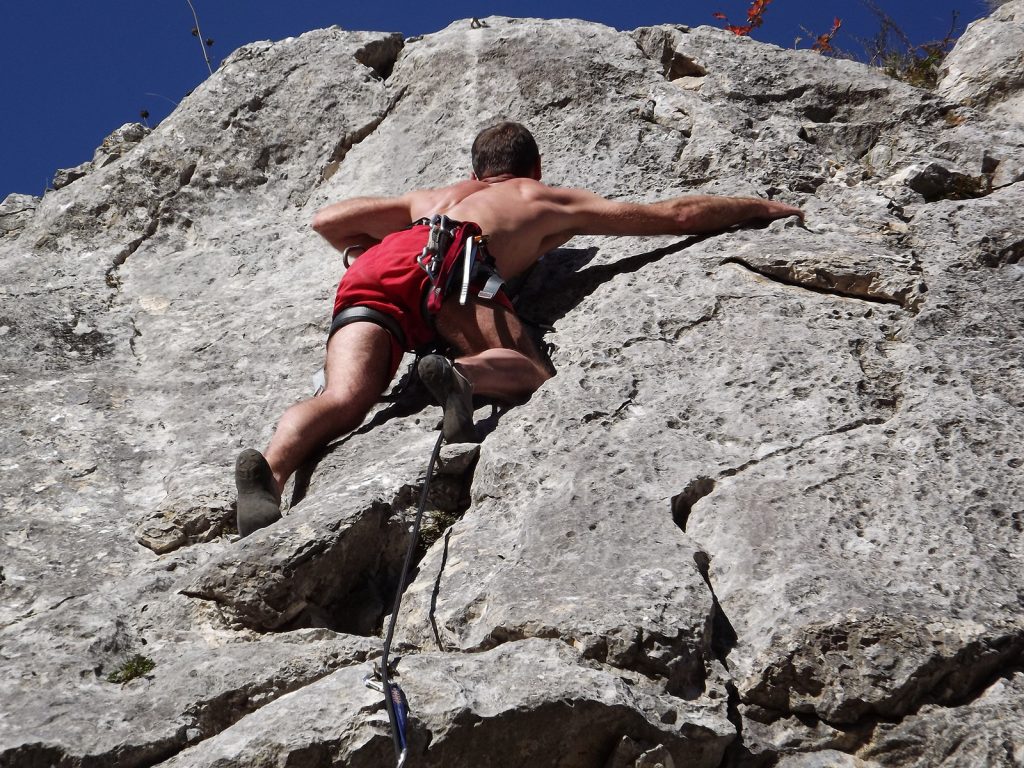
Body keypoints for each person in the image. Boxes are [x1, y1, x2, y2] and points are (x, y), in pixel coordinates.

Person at [234, 121, 802, 536]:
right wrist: (755, 206)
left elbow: (327, 222)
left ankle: (274, 472)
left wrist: (362, 247)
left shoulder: (432, 197)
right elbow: (673, 216)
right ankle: (464, 373)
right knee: (531, 372)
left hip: (385, 266)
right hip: (458, 263)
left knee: (341, 396)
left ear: (477, 168)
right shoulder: (538, 196)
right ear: (533, 167)